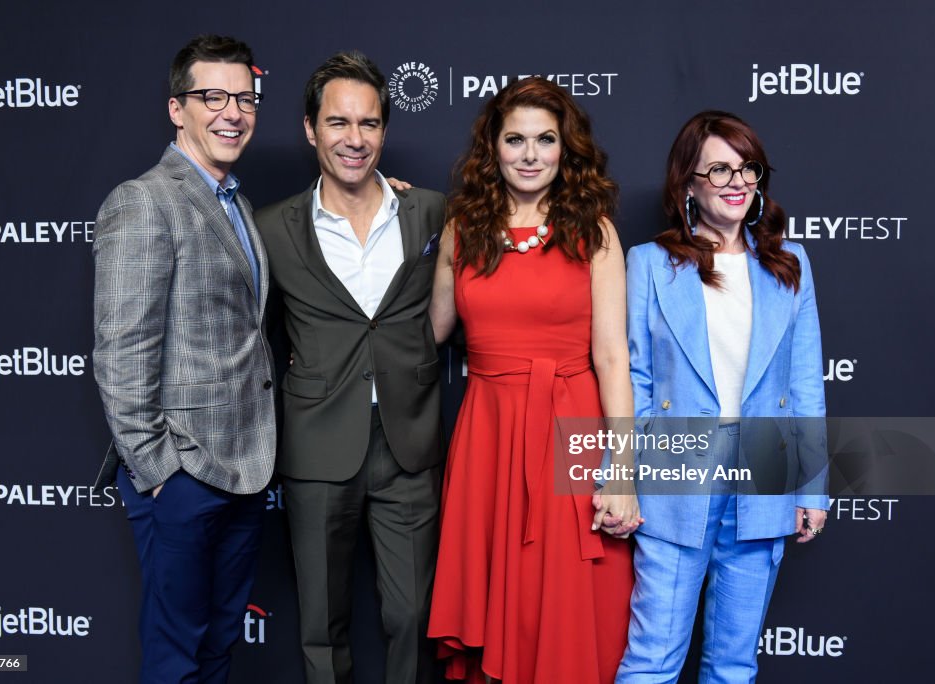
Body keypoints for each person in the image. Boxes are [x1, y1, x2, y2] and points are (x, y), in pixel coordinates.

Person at [427, 77, 639, 684]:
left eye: (545, 140)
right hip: (488, 432)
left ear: (565, 148)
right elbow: (430, 331)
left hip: (570, 426)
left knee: (566, 607)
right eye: (514, 139)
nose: (529, 154)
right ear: (491, 147)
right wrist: (382, 212)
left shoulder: (592, 231)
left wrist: (619, 472)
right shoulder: (462, 228)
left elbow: (613, 359)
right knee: (498, 603)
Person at [615, 110, 829, 683]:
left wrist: (813, 488)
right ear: (687, 183)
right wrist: (623, 478)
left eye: (747, 168)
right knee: (652, 662)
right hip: (675, 477)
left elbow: (806, 382)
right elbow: (635, 380)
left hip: (764, 474)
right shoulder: (649, 264)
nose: (737, 182)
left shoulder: (791, 265)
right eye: (719, 169)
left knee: (734, 665)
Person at [255, 51, 445, 684]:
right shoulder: (270, 228)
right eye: (338, 123)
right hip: (316, 445)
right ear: (311, 129)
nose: (354, 139)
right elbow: (255, 335)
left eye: (368, 124)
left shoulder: (430, 214)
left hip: (409, 443)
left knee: (412, 616)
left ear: (384, 131)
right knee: (320, 622)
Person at [92, 35, 274, 683]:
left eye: (244, 98)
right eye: (213, 97)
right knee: (175, 655)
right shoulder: (145, 201)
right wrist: (161, 470)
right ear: (178, 109)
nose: (232, 112)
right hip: (183, 477)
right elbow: (121, 352)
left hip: (245, 469)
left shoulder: (237, 204)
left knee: (218, 646)